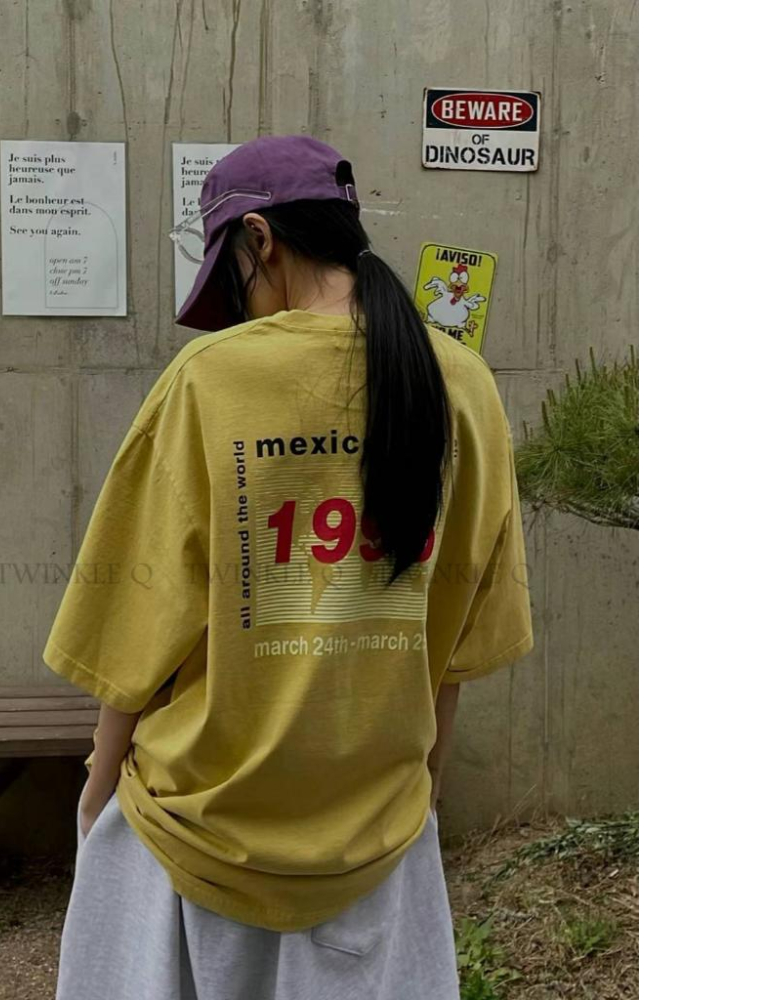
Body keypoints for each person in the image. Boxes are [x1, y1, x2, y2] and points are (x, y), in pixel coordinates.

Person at [43, 134, 534, 1000]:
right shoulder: (463, 384)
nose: (239, 308)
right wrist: (419, 792)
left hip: (196, 833)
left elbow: (134, 629)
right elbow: (456, 643)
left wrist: (96, 783)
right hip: (376, 839)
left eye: (231, 277)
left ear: (259, 238)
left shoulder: (210, 379)